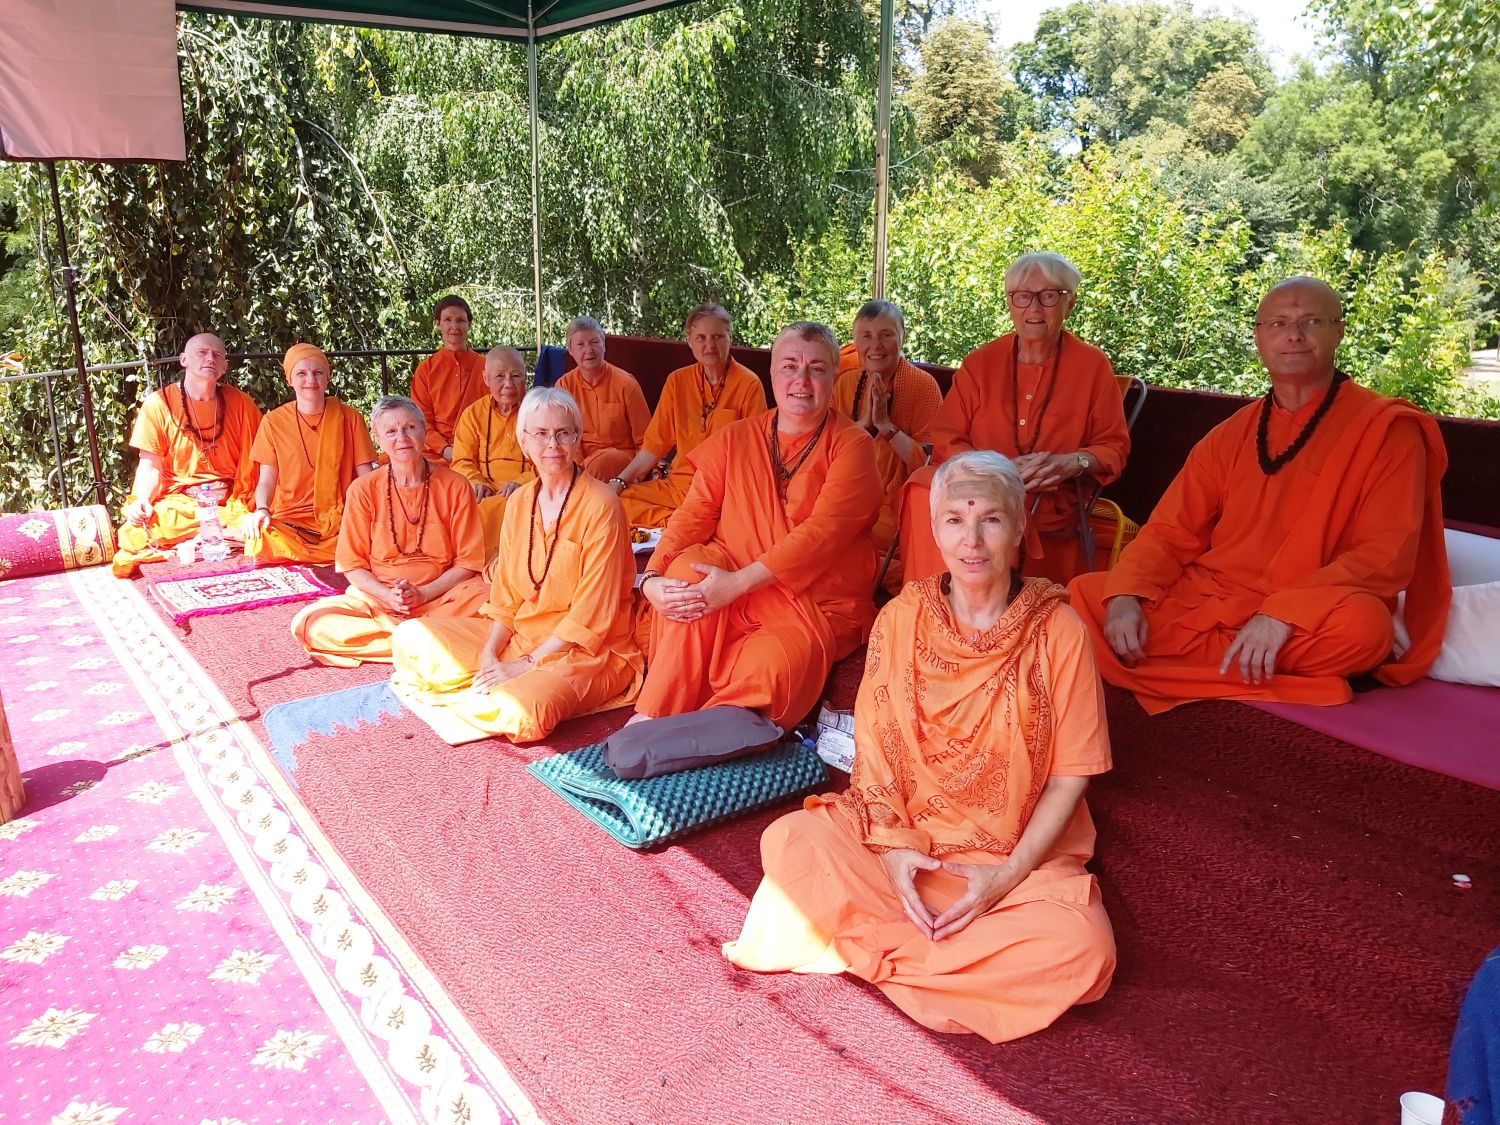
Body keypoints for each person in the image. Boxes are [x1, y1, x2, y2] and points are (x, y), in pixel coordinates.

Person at [724, 451, 1116, 1043]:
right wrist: (893, 853)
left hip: (1010, 860)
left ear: (1019, 530)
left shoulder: (1059, 631)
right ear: (934, 531)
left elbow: (1069, 776)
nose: (973, 540)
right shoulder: (901, 617)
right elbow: (875, 754)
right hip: (909, 847)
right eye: (955, 519)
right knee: (792, 841)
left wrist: (1002, 880)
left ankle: (876, 951)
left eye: (991, 519)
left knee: (1082, 946)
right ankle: (939, 958)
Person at [1070, 276, 1450, 713]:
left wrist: (1283, 613)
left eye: (1311, 321)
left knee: (1365, 631)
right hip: (1213, 597)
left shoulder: (1387, 430)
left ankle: (1159, 667)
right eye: (1278, 323)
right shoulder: (1230, 434)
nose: (1293, 335)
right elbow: (1170, 531)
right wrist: (1125, 597)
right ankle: (1253, 668)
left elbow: (1386, 555)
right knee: (1087, 595)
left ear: (1338, 331)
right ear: (1258, 336)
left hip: (1315, 607)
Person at [632, 321, 881, 731]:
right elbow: (694, 514)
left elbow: (821, 534)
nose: (801, 380)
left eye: (816, 369)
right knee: (683, 574)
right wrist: (652, 578)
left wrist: (738, 584)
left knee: (773, 669)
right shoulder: (737, 438)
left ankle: (706, 731)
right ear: (772, 373)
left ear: (835, 376)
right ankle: (654, 715)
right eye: (789, 366)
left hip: (811, 601)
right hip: (728, 584)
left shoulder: (854, 445)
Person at [390, 387, 643, 743]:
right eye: (540, 433)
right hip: (521, 636)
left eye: (563, 433)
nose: (552, 444)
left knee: (526, 710)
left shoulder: (602, 505)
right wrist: (490, 653)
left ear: (578, 438)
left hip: (586, 653)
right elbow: (506, 596)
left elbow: (592, 614)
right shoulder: (521, 501)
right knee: (409, 637)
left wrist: (524, 665)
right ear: (524, 441)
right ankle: (484, 685)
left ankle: (481, 692)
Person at [897, 252, 1130, 585]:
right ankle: (935, 606)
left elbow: (1113, 447)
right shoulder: (981, 363)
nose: (1034, 308)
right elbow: (948, 436)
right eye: (1022, 297)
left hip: (1044, 496)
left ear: (1070, 303)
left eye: (1049, 296)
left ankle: (985, 611)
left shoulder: (1092, 366)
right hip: (975, 483)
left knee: (971, 508)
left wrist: (1070, 462)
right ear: (1010, 303)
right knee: (924, 486)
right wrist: (996, 470)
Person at [290, 396, 487, 667]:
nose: (402, 438)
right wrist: (387, 596)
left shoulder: (456, 486)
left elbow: (468, 562)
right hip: (380, 602)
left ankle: (412, 641)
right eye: (391, 431)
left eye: (409, 428)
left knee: (490, 602)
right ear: (377, 439)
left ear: (424, 431)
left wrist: (425, 594)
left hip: (443, 597)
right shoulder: (363, 490)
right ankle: (427, 642)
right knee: (311, 624)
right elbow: (352, 565)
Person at [111, 333, 262, 578]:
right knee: (135, 532)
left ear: (224, 366)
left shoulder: (242, 403)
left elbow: (261, 461)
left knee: (267, 521)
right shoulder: (158, 404)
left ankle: (211, 535)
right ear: (184, 360)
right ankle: (220, 536)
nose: (210, 358)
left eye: (217, 355)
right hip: (183, 505)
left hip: (232, 500)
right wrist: (142, 500)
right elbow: (150, 466)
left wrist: (260, 507)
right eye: (202, 353)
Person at [607, 304, 768, 528]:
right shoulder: (677, 381)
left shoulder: (748, 384)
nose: (709, 345)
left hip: (721, 492)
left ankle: (692, 522)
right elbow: (653, 448)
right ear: (689, 340)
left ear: (730, 338)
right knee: (616, 503)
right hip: (678, 487)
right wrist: (619, 481)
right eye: (701, 337)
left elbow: (754, 454)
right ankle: (681, 523)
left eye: (718, 337)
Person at [832, 299, 942, 585]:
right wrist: (864, 424)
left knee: (849, 551)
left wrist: (886, 426)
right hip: (846, 497)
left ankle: (891, 576)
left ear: (902, 336)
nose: (875, 345)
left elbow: (930, 466)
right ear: (855, 342)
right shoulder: (845, 383)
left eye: (886, 335)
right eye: (866, 336)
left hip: (894, 505)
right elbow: (826, 453)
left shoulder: (923, 386)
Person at [241, 343, 378, 564]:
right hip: (291, 519)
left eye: (318, 373)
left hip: (341, 517)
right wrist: (262, 509)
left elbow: (365, 475)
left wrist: (372, 515)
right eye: (302, 373)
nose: (311, 380)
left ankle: (336, 549)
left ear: (327, 378)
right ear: (290, 379)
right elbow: (266, 480)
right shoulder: (273, 422)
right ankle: (337, 553)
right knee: (260, 539)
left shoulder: (349, 417)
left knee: (368, 536)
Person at [451, 347, 534, 554]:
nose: (508, 384)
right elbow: (461, 461)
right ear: (486, 379)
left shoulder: (537, 411)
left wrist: (522, 482)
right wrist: (476, 481)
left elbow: (551, 456)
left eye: (516, 376)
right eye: (500, 376)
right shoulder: (473, 415)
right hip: (485, 489)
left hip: (529, 487)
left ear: (525, 376)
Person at [556, 316, 650, 480]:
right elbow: (563, 436)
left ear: (604, 345)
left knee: (606, 459)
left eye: (594, 342)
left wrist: (637, 476)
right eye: (580, 344)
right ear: (570, 350)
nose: (588, 350)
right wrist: (576, 466)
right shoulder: (564, 386)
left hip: (621, 463)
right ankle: (578, 482)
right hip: (578, 464)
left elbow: (646, 440)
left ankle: (576, 485)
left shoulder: (626, 384)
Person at [410, 295, 486, 461]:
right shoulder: (426, 369)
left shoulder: (486, 367)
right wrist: (444, 449)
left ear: (469, 325)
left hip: (479, 449)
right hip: (435, 452)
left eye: (460, 320)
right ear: (438, 324)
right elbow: (420, 419)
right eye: (448, 320)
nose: (454, 326)